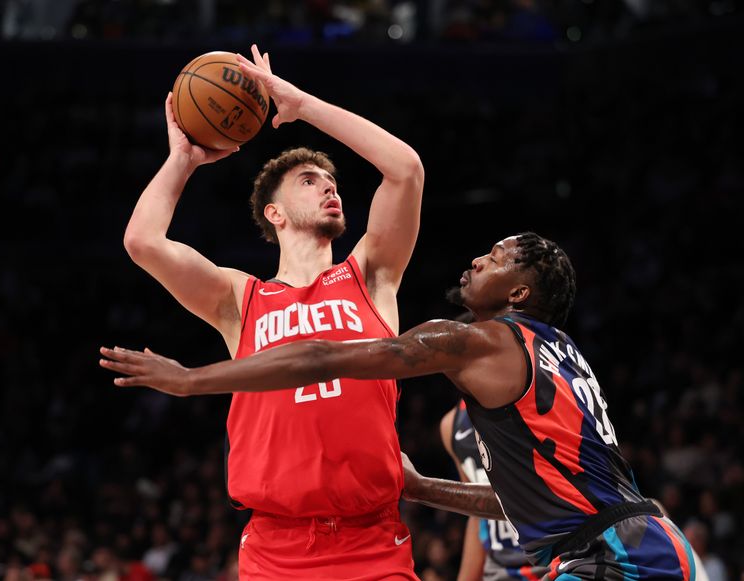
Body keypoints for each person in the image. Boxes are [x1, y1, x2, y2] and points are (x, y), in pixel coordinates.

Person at [101, 232, 699, 580]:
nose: (477, 260)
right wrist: (420, 489)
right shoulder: (563, 355)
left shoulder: (479, 339)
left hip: (617, 557)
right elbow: (529, 499)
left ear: (519, 293)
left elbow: (316, 358)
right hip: (654, 544)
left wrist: (190, 380)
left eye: (495, 258)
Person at [118, 44, 425, 580]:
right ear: (274, 213)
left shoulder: (370, 275)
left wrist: (303, 105)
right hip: (275, 546)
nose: (329, 187)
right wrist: (182, 160)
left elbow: (405, 169)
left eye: (332, 183)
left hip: (371, 540)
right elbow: (142, 241)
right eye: (310, 181)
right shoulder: (241, 299)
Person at [441, 399, 547, 581]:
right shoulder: (451, 425)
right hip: (500, 569)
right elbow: (475, 511)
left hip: (552, 561)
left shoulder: (534, 395)